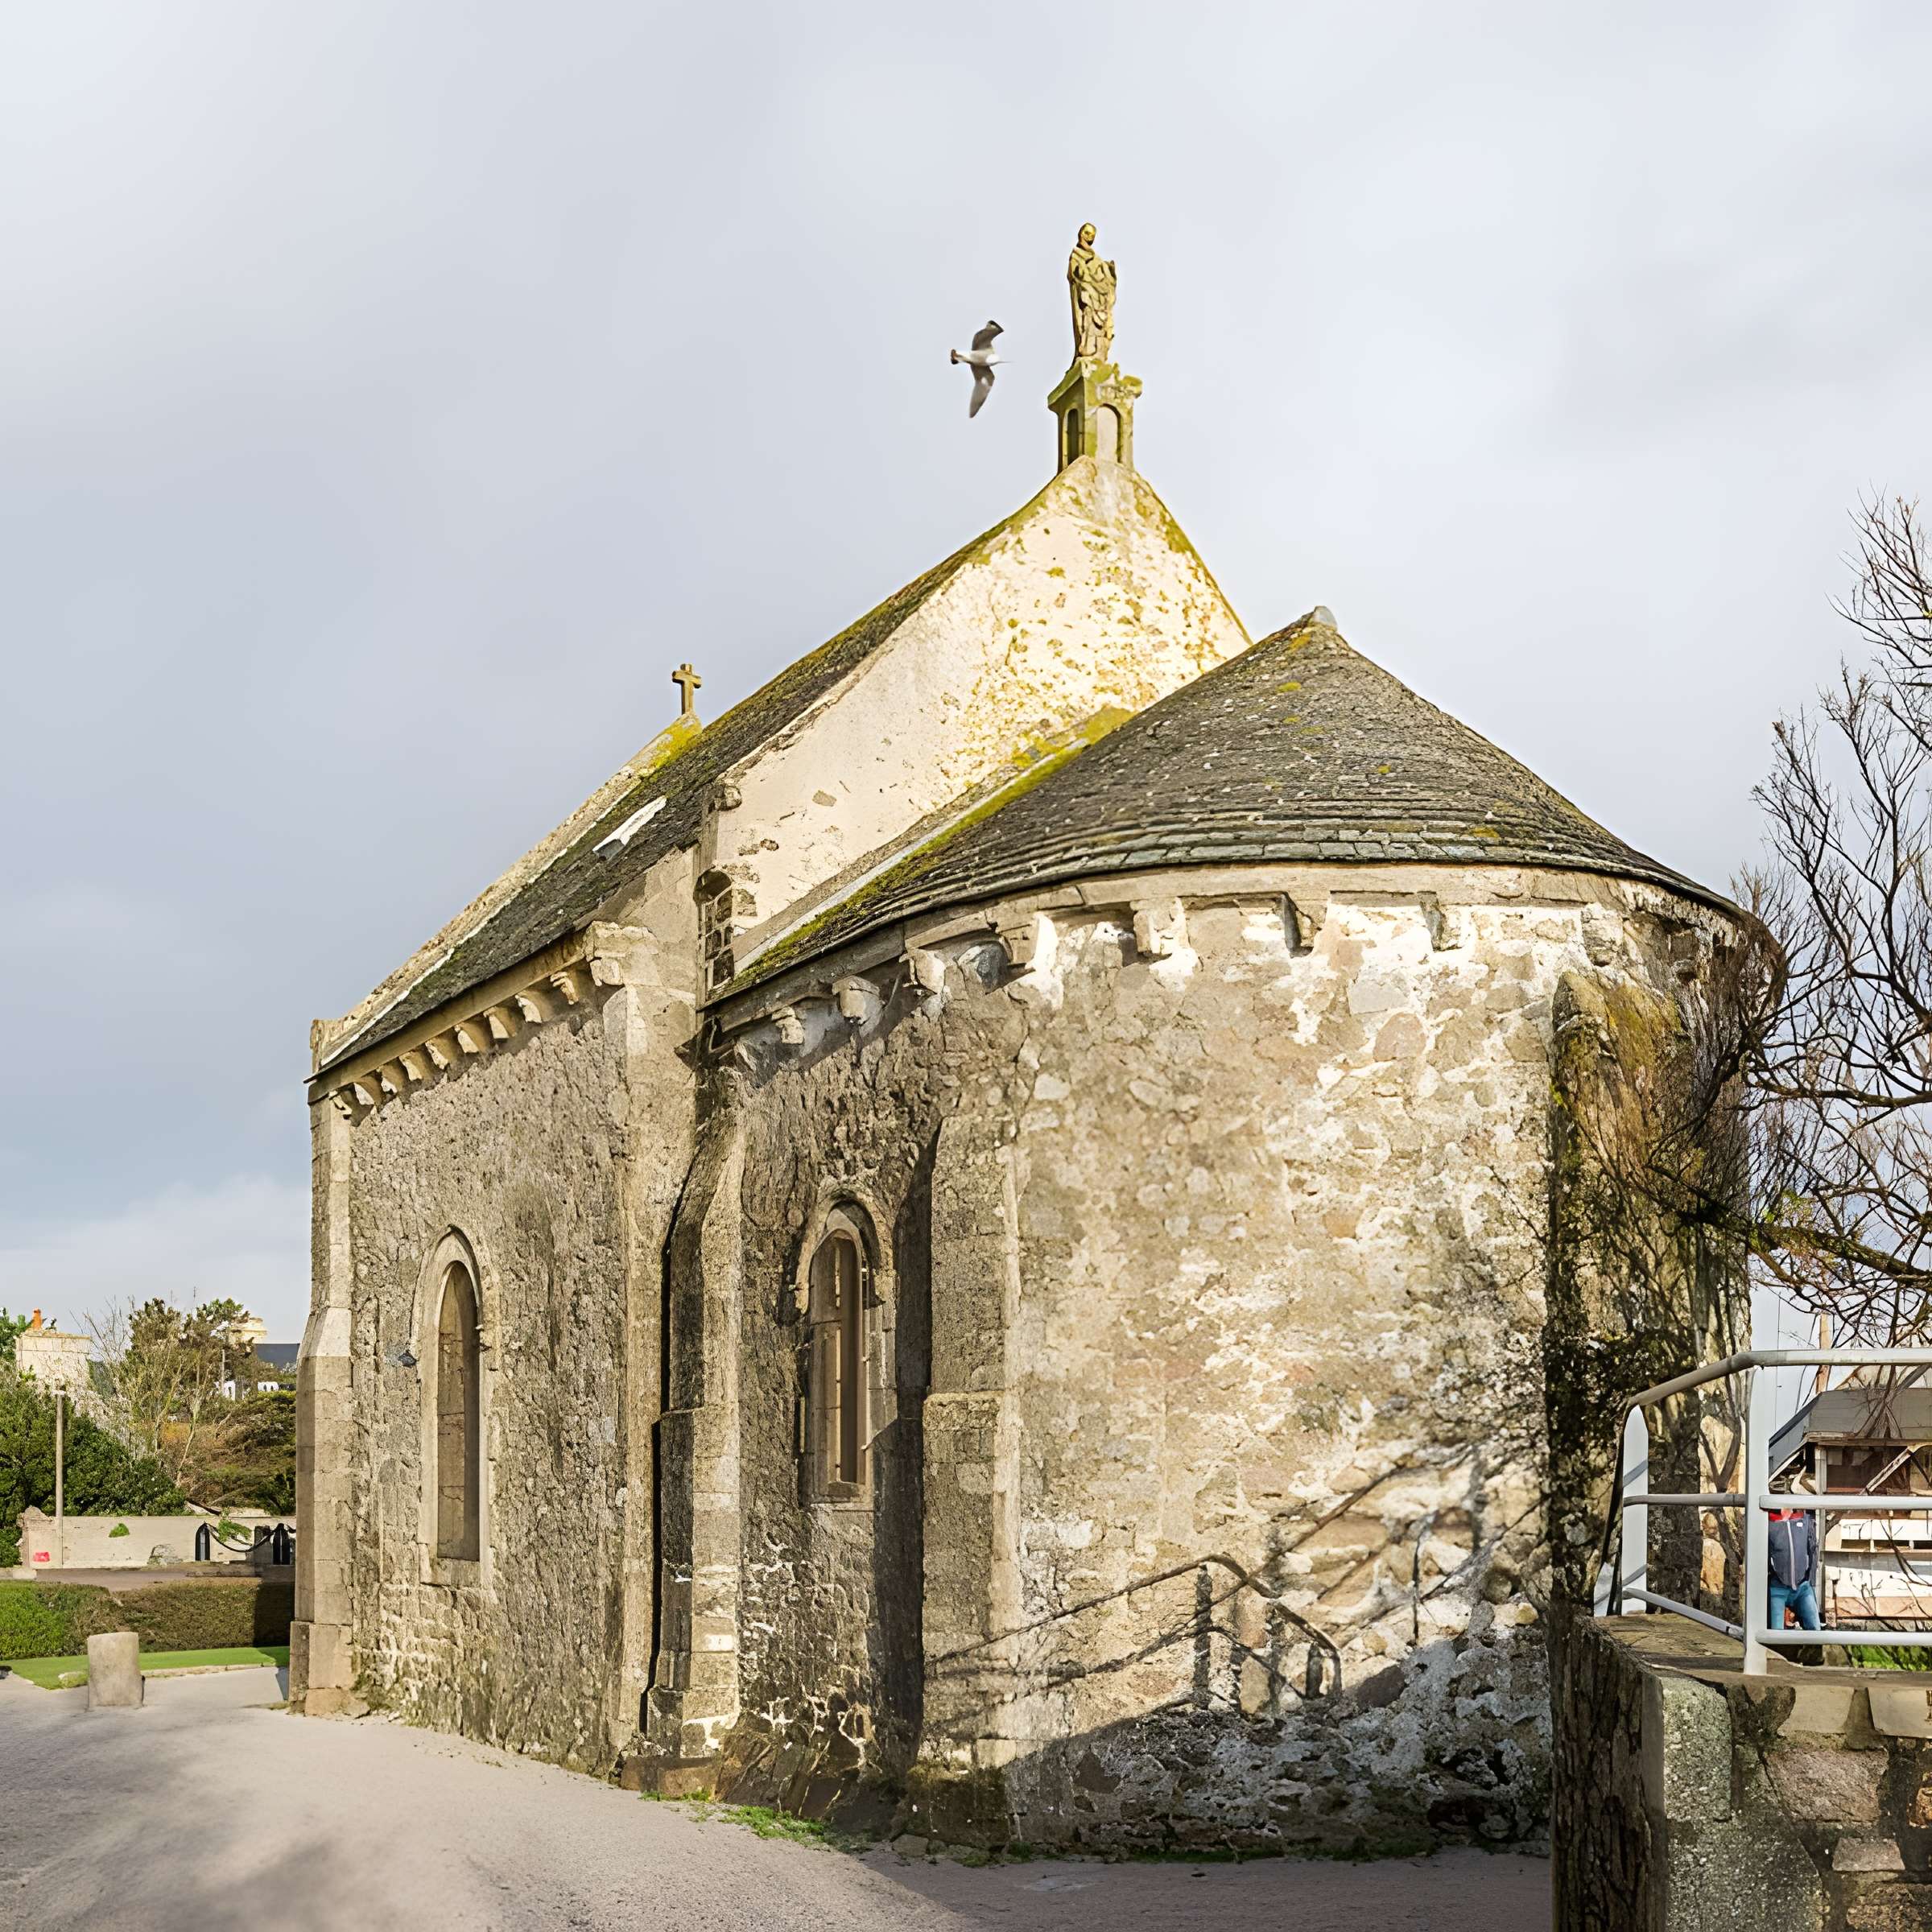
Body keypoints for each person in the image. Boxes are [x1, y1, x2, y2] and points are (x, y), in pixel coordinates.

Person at [1767, 1497, 1823, 1633]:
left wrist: (1811, 1580)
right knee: (1776, 1632)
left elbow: (1812, 1550)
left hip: (1803, 1586)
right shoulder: (1769, 1524)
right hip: (1777, 1588)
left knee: (1815, 1629)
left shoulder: (1805, 1521)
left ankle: (1812, 1651)